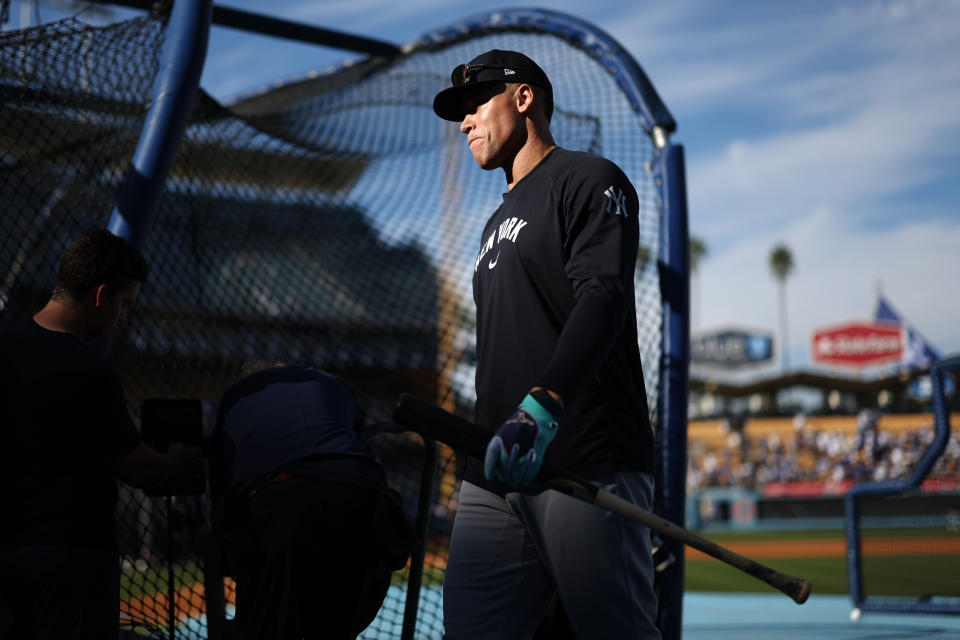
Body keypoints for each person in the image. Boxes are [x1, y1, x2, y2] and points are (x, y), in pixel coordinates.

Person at [432, 50, 661, 639]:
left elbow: (602, 297)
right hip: (497, 471)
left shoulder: (589, 178)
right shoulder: (492, 224)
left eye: (476, 104)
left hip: (585, 458)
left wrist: (543, 404)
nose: (465, 123)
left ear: (523, 98)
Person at [0, 228, 204, 639]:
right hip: (71, 561)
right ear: (99, 295)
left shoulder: (4, 350)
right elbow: (138, 469)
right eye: (124, 304)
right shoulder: (89, 372)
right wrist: (182, 461)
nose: (123, 317)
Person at [207, 364, 415, 640]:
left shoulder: (232, 399)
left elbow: (221, 502)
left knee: (264, 629)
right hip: (366, 502)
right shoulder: (333, 384)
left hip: (281, 503)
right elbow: (363, 448)